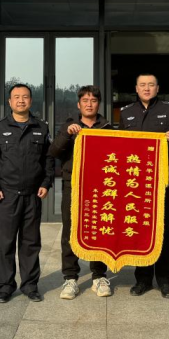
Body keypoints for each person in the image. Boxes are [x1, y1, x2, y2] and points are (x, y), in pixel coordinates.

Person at [120, 73, 169, 299]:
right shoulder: (127, 113)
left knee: (164, 229)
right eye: (142, 85)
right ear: (136, 88)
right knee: (139, 228)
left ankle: (165, 280)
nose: (146, 88)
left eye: (151, 85)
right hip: (136, 184)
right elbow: (119, 144)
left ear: (157, 88)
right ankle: (142, 279)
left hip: (163, 182)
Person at [0, 84, 52, 304]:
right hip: (7, 195)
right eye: (16, 97)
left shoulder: (41, 127)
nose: (21, 100)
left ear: (31, 101)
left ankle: (30, 285)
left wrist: (46, 183)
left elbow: (48, 160)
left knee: (30, 243)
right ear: (10, 102)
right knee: (6, 243)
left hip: (32, 195)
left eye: (25, 97)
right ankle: (5, 287)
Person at [48, 85, 113, 300]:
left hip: (101, 187)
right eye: (85, 100)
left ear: (98, 104)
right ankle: (70, 278)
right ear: (79, 104)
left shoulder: (108, 127)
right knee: (70, 231)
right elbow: (54, 151)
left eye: (93, 100)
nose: (89, 104)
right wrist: (68, 135)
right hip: (73, 186)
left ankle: (99, 276)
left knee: (99, 230)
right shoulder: (69, 126)